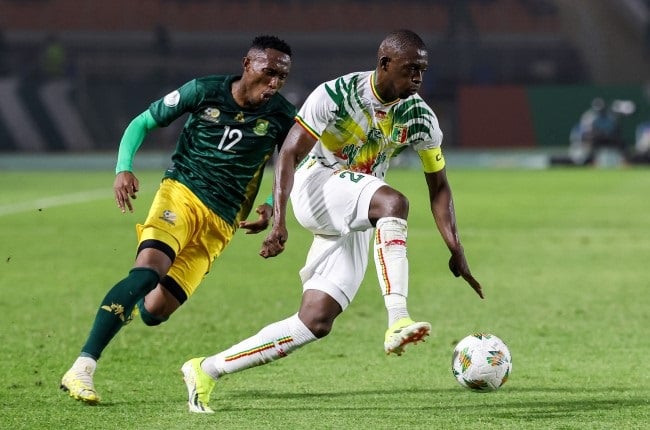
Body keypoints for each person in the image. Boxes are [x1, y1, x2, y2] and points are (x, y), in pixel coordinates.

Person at [180, 29, 483, 414]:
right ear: (385, 64)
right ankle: (398, 319)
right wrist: (279, 219)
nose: (418, 80)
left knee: (315, 321)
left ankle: (206, 370)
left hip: (355, 206)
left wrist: (455, 247)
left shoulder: (420, 117)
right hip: (318, 185)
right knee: (394, 202)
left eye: (422, 71)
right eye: (411, 70)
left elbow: (439, 186)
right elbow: (288, 153)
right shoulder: (336, 94)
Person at [60, 35, 296, 405]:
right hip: (181, 193)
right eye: (269, 73)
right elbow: (142, 122)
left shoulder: (282, 114)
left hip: (223, 219)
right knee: (147, 271)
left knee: (155, 311)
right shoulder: (203, 91)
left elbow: (291, 163)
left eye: (281, 77)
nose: (275, 83)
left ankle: (128, 300)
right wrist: (124, 168)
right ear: (248, 64)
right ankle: (83, 366)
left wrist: (270, 205)